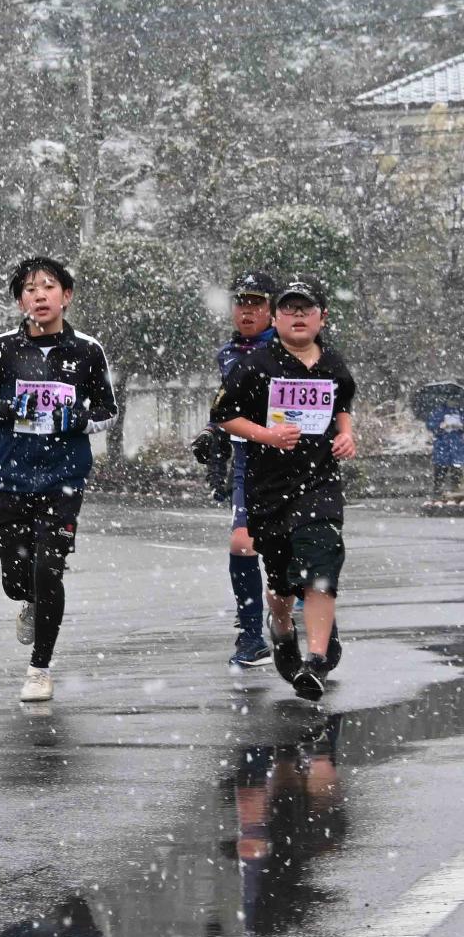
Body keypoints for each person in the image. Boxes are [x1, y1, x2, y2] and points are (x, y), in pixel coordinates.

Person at [0, 256, 117, 703]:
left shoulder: (87, 351)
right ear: (20, 300)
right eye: (30, 289)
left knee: (49, 568)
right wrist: (9, 410)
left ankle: (39, 668)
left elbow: (108, 411)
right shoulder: (3, 349)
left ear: (66, 296)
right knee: (17, 580)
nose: (39, 295)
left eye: (48, 287)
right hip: (11, 476)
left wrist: (79, 420)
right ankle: (28, 602)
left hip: (63, 477)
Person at [212, 280, 357, 702]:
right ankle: (281, 629)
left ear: (321, 318)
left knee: (321, 564)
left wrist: (346, 436)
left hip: (319, 482)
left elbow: (342, 406)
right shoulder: (257, 364)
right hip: (269, 485)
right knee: (280, 581)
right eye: (289, 309)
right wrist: (267, 435)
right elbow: (224, 415)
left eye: (306, 310)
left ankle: (314, 661)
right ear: (276, 319)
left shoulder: (332, 363)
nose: (298, 316)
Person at [191, 271, 279, 670]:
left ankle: (297, 622)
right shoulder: (227, 355)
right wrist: (212, 435)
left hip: (295, 459)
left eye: (256, 304)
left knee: (293, 550)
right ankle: (251, 634)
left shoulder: (292, 346)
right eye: (241, 303)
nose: (247, 311)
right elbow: (227, 406)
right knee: (243, 543)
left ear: (272, 310)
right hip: (249, 460)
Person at [427, 394, 464, 498]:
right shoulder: (439, 411)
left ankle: (456, 494)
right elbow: (431, 425)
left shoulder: (460, 412)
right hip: (442, 447)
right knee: (440, 471)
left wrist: (460, 426)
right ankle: (437, 492)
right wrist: (441, 426)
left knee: (456, 471)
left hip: (457, 448)